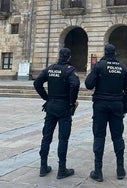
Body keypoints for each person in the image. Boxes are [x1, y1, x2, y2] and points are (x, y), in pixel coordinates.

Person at [85, 43, 127, 182]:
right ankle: (120, 169)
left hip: (100, 105)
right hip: (117, 105)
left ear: (105, 52)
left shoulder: (100, 66)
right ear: (115, 53)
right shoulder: (123, 67)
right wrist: (125, 108)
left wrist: (97, 68)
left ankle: (98, 171)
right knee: (118, 137)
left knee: (99, 136)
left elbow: (88, 84)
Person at [33, 48, 80, 179]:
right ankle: (62, 169)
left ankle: (43, 167)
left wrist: (46, 98)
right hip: (64, 107)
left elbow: (37, 83)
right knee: (63, 138)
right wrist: (72, 102)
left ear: (59, 56)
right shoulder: (70, 70)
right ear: (69, 57)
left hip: (51, 106)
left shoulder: (50, 69)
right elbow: (75, 84)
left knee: (46, 137)